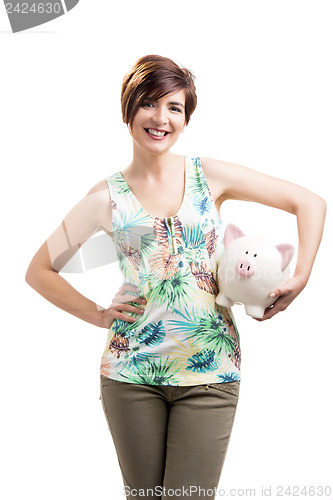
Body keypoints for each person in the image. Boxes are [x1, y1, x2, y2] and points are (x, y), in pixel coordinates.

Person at [25, 54, 326, 499]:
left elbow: (310, 202)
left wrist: (299, 278)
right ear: (128, 109)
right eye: (149, 103)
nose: (161, 118)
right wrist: (98, 315)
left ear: (186, 118)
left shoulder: (210, 176)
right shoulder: (104, 198)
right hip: (131, 375)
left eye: (175, 107)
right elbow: (39, 270)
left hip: (211, 373)